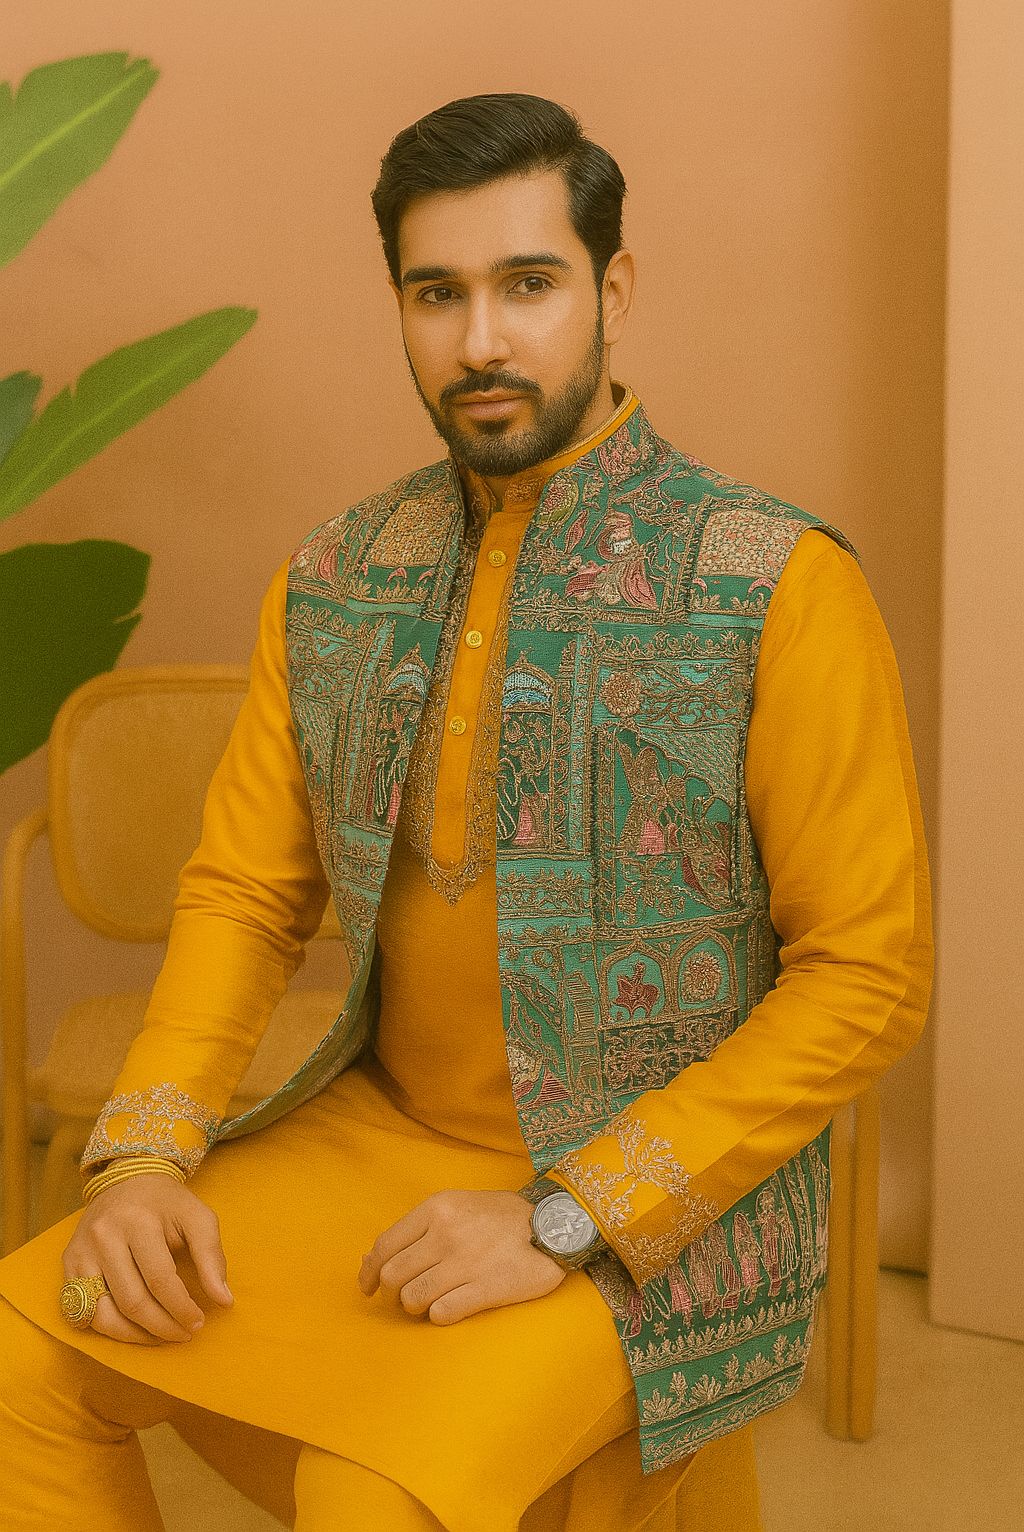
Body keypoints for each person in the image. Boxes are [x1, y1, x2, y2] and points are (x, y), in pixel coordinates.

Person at [0, 94, 932, 1532]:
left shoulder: (774, 583)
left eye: (528, 283)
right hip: (372, 1136)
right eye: (437, 294)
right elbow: (247, 892)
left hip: (658, 1196)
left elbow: (867, 976)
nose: (481, 340)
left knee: (371, 1489)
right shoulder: (338, 575)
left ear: (614, 290)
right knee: (23, 1353)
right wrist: (143, 1155)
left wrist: (568, 1217)